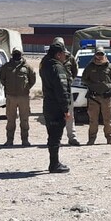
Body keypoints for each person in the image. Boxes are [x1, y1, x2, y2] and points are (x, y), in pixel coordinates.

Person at [39, 43, 71, 173]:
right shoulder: (57, 68)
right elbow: (62, 90)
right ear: (58, 54)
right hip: (56, 106)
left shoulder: (45, 65)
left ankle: (54, 162)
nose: (65, 57)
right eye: (64, 54)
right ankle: (54, 164)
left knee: (52, 135)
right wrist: (66, 109)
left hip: (48, 104)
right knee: (55, 136)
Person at [0, 47, 36, 147]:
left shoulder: (27, 67)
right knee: (11, 120)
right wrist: (8, 88)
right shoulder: (6, 67)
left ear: (21, 54)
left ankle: (25, 140)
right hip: (11, 97)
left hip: (23, 97)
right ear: (12, 54)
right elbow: (2, 78)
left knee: (24, 119)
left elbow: (32, 79)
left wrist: (26, 88)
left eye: (18, 53)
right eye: (15, 53)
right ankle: (9, 140)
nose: (16, 54)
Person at [81, 46, 111, 145]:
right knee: (93, 120)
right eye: (98, 54)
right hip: (94, 97)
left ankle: (110, 138)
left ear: (104, 55)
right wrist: (92, 85)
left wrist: (107, 86)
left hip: (106, 97)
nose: (100, 56)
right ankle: (91, 139)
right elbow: (84, 79)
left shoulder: (110, 67)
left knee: (108, 119)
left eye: (101, 54)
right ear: (95, 54)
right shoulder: (90, 67)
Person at [53, 37, 81, 146]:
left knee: (69, 115)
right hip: (53, 92)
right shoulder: (48, 59)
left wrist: (68, 82)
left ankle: (72, 137)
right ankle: (55, 138)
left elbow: (74, 71)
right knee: (54, 117)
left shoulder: (70, 58)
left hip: (67, 91)